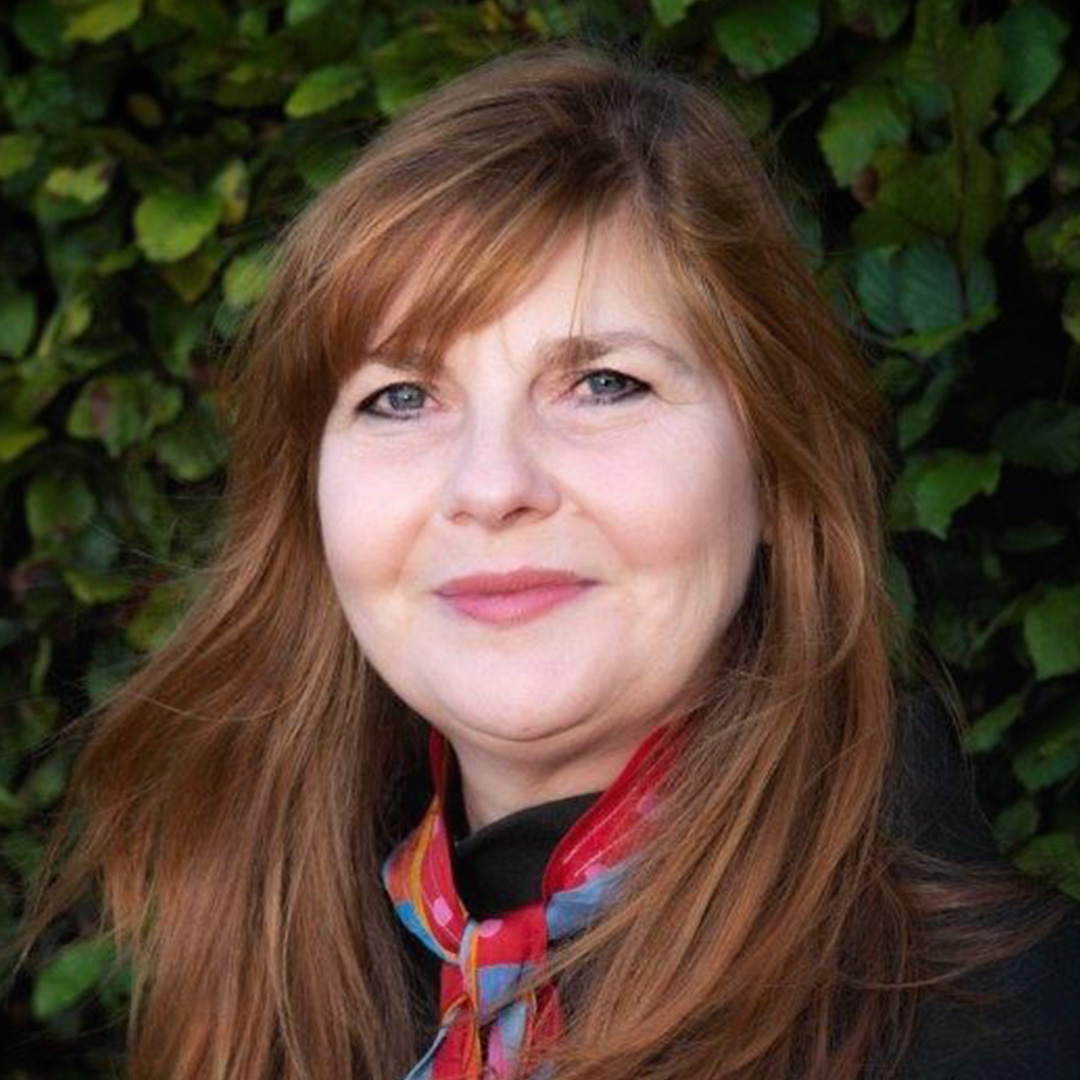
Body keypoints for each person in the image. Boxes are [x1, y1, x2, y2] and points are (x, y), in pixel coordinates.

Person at [10, 39, 1080, 1080]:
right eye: (400, 397)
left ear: (775, 471)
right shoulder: (265, 968)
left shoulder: (1005, 1024)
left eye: (605, 383)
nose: (490, 484)